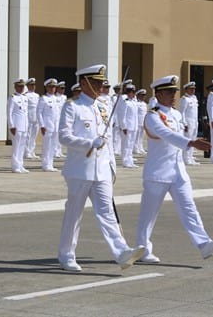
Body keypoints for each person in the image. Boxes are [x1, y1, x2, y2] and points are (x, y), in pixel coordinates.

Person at [57, 64, 144, 272]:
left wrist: (112, 166)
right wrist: (88, 143)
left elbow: (109, 141)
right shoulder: (73, 106)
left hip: (102, 169)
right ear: (84, 83)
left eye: (100, 82)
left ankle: (121, 252)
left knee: (107, 213)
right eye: (95, 82)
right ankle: (67, 255)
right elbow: (63, 136)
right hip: (80, 169)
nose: (99, 86)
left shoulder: (103, 107)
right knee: (74, 214)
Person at [136, 75, 213, 263]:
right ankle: (143, 250)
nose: (173, 95)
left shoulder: (176, 114)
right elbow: (166, 134)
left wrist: (189, 143)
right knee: (149, 215)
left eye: (174, 92)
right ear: (159, 94)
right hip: (158, 172)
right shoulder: (152, 116)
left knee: (189, 208)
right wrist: (191, 143)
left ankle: (204, 244)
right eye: (169, 92)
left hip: (178, 171)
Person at [37, 78, 60, 171]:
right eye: (50, 87)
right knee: (47, 146)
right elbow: (39, 112)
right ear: (46, 87)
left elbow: (58, 114)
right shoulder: (43, 98)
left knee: (53, 146)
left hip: (55, 126)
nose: (52, 89)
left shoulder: (56, 99)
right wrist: (42, 125)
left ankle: (50, 164)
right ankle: (45, 164)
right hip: (47, 125)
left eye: (54, 87)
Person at [7, 78, 29, 173]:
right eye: (19, 86)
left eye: (22, 86)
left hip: (24, 125)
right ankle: (15, 166)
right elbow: (9, 113)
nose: (21, 88)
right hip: (16, 125)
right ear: (15, 87)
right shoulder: (12, 98)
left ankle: (20, 165)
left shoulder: (25, 98)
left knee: (22, 146)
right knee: (16, 146)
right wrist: (11, 126)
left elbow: (25, 113)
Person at [117, 84, 139, 168]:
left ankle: (130, 161)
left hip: (134, 126)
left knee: (131, 145)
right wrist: (124, 126)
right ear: (128, 92)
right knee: (126, 145)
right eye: (132, 92)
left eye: (134, 92)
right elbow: (122, 114)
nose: (133, 94)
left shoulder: (133, 101)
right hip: (128, 127)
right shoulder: (125, 101)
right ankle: (125, 161)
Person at [179, 81, 200, 165]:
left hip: (195, 122)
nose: (193, 90)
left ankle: (190, 157)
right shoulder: (184, 99)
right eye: (191, 89)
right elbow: (182, 112)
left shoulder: (194, 98)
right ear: (186, 89)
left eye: (193, 89)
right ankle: (186, 158)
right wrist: (184, 123)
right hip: (188, 122)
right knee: (188, 140)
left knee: (193, 140)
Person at [24, 78, 40, 159]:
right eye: (31, 85)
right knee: (28, 135)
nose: (33, 86)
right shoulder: (26, 95)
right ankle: (26, 152)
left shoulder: (37, 95)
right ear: (27, 86)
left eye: (34, 85)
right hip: (29, 117)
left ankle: (32, 151)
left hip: (36, 118)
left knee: (34, 136)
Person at [54, 81, 67, 158]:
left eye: (63, 88)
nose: (62, 90)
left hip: (62, 118)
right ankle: (55, 151)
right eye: (61, 88)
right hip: (56, 118)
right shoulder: (55, 97)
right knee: (55, 136)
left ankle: (59, 151)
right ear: (57, 89)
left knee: (60, 135)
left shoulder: (64, 97)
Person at [134, 89, 148, 155]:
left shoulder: (144, 104)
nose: (143, 97)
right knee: (137, 136)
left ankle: (140, 147)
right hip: (138, 122)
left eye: (144, 95)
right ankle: (136, 148)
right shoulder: (136, 103)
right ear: (138, 95)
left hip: (143, 122)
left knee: (141, 136)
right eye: (142, 95)